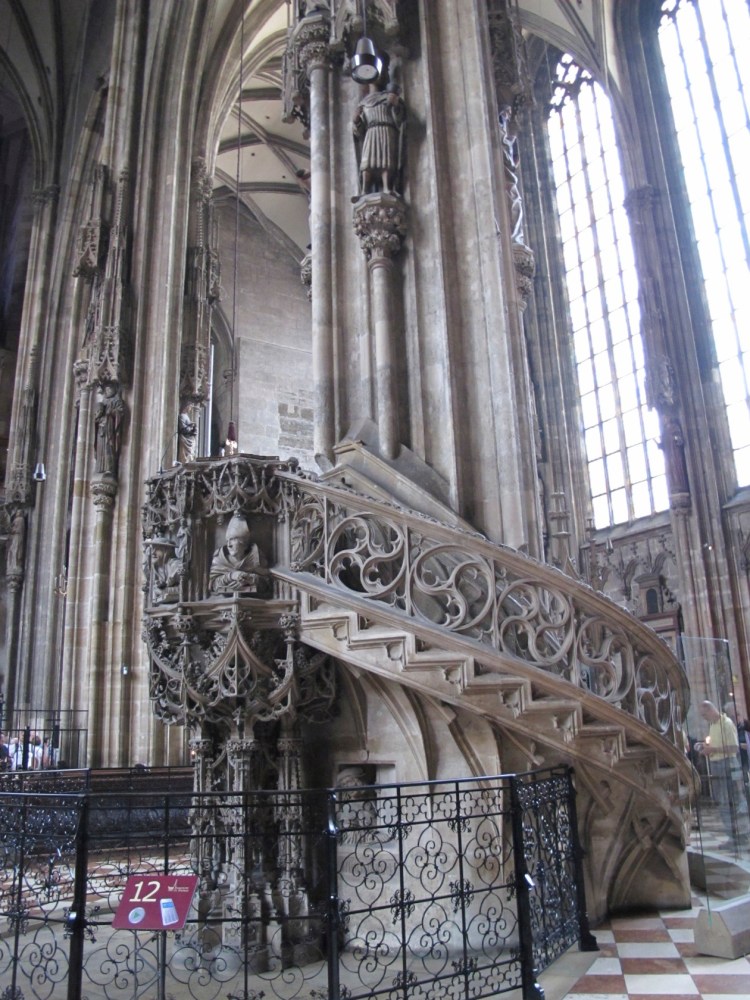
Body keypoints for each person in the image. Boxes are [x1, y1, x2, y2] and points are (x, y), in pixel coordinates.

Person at [695, 700, 747, 844]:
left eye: (704, 715)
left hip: (727, 764)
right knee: (722, 802)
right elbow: (715, 744)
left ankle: (741, 835)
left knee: (733, 801)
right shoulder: (713, 725)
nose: (704, 718)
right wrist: (705, 746)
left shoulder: (727, 724)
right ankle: (732, 836)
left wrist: (713, 750)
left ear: (711, 710)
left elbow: (734, 748)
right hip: (716, 764)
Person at [352, 80, 405, 196]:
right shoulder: (363, 103)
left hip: (387, 129)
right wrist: (356, 120)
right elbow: (359, 132)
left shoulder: (389, 97)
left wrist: (396, 106)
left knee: (386, 160)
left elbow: (400, 121)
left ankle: (387, 187)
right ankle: (364, 190)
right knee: (367, 162)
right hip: (371, 131)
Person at [209, 515, 267, 594]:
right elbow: (213, 585)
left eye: (233, 539)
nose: (229, 545)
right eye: (228, 540)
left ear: (244, 544)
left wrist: (249, 579)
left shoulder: (255, 558)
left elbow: (266, 584)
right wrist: (231, 576)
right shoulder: (220, 559)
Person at [94, 383, 126, 476]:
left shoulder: (117, 401)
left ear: (115, 389)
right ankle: (100, 468)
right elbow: (96, 416)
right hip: (102, 429)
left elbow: (120, 412)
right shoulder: (103, 402)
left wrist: (111, 412)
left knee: (109, 446)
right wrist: (98, 416)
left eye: (109, 389)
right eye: (106, 389)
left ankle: (109, 468)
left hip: (109, 429)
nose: (107, 391)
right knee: (100, 448)